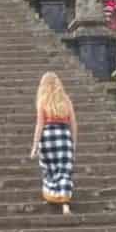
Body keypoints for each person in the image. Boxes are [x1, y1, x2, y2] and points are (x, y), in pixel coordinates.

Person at [30, 72, 76, 215]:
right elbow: (73, 123)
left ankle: (52, 195)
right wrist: (73, 142)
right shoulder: (66, 100)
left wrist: (35, 146)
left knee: (49, 170)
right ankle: (65, 204)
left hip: (48, 137)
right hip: (63, 136)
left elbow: (39, 125)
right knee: (64, 170)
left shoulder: (42, 100)